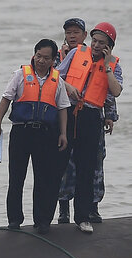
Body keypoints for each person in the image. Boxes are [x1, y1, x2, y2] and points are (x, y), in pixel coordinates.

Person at [0, 39, 70, 234]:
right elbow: (6, 99)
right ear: (34, 55)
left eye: (46, 58)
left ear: (53, 60)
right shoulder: (20, 75)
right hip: (21, 132)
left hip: (44, 134)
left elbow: (62, 109)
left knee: (42, 179)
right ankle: (14, 220)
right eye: (38, 56)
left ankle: (41, 221)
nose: (41, 61)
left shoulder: (57, 80)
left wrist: (63, 134)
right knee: (16, 177)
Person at [56, 22, 122, 234]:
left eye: (101, 43)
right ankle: (56, 211)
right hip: (70, 111)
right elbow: (56, 76)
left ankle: (83, 216)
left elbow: (116, 91)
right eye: (94, 41)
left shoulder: (114, 65)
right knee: (60, 162)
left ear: (109, 46)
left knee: (87, 167)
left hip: (92, 116)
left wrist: (108, 65)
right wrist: (69, 87)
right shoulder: (76, 53)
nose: (95, 45)